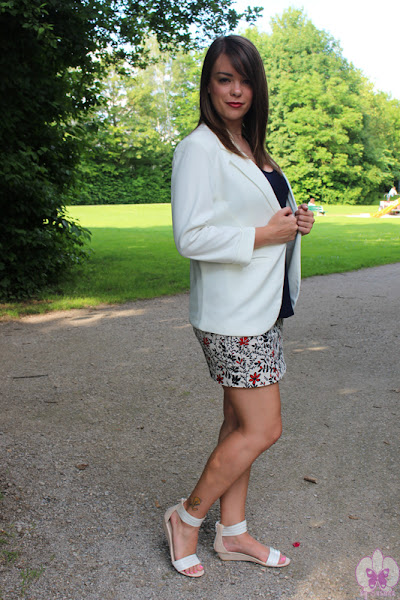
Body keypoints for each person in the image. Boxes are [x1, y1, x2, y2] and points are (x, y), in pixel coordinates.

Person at [164, 35, 315, 579]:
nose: (236, 90)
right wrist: (262, 235)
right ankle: (187, 517)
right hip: (232, 315)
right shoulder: (199, 148)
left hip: (263, 306)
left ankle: (233, 532)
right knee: (263, 428)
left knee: (237, 424)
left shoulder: (250, 145)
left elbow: (262, 217)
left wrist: (292, 223)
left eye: (245, 80)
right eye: (225, 79)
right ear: (208, 84)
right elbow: (190, 236)